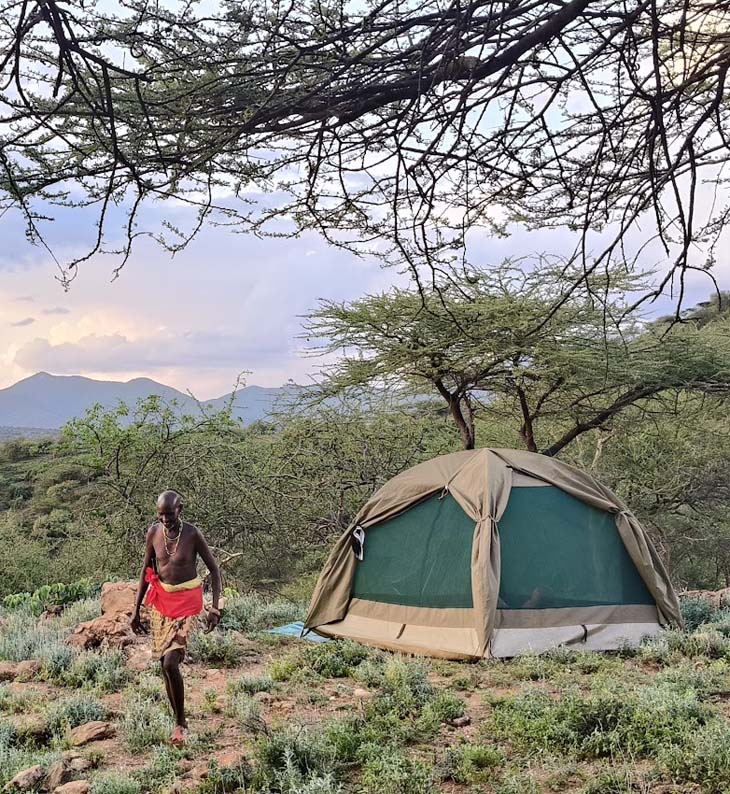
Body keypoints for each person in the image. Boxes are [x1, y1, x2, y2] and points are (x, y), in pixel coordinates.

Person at [131, 490, 222, 746]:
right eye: (160, 515)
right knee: (164, 666)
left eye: (169, 514)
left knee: (171, 663)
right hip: (161, 603)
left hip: (186, 603)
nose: (165, 520)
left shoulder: (192, 534)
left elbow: (214, 570)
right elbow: (146, 570)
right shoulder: (154, 532)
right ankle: (179, 720)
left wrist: (215, 608)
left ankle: (180, 724)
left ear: (179, 510)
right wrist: (135, 610)